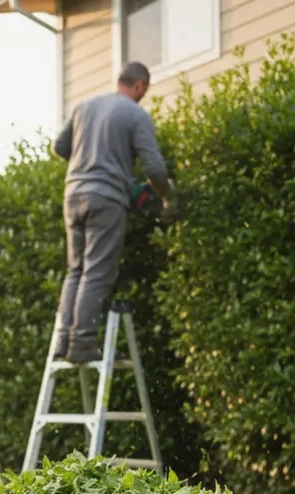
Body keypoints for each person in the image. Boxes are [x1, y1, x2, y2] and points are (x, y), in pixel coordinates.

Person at [51, 60, 173, 364]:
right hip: (104, 199)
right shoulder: (136, 115)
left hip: (73, 194)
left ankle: (63, 341)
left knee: (75, 270)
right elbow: (155, 169)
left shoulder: (84, 106)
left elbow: (59, 147)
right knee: (96, 271)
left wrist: (88, 161)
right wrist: (168, 198)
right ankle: (82, 344)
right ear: (140, 86)